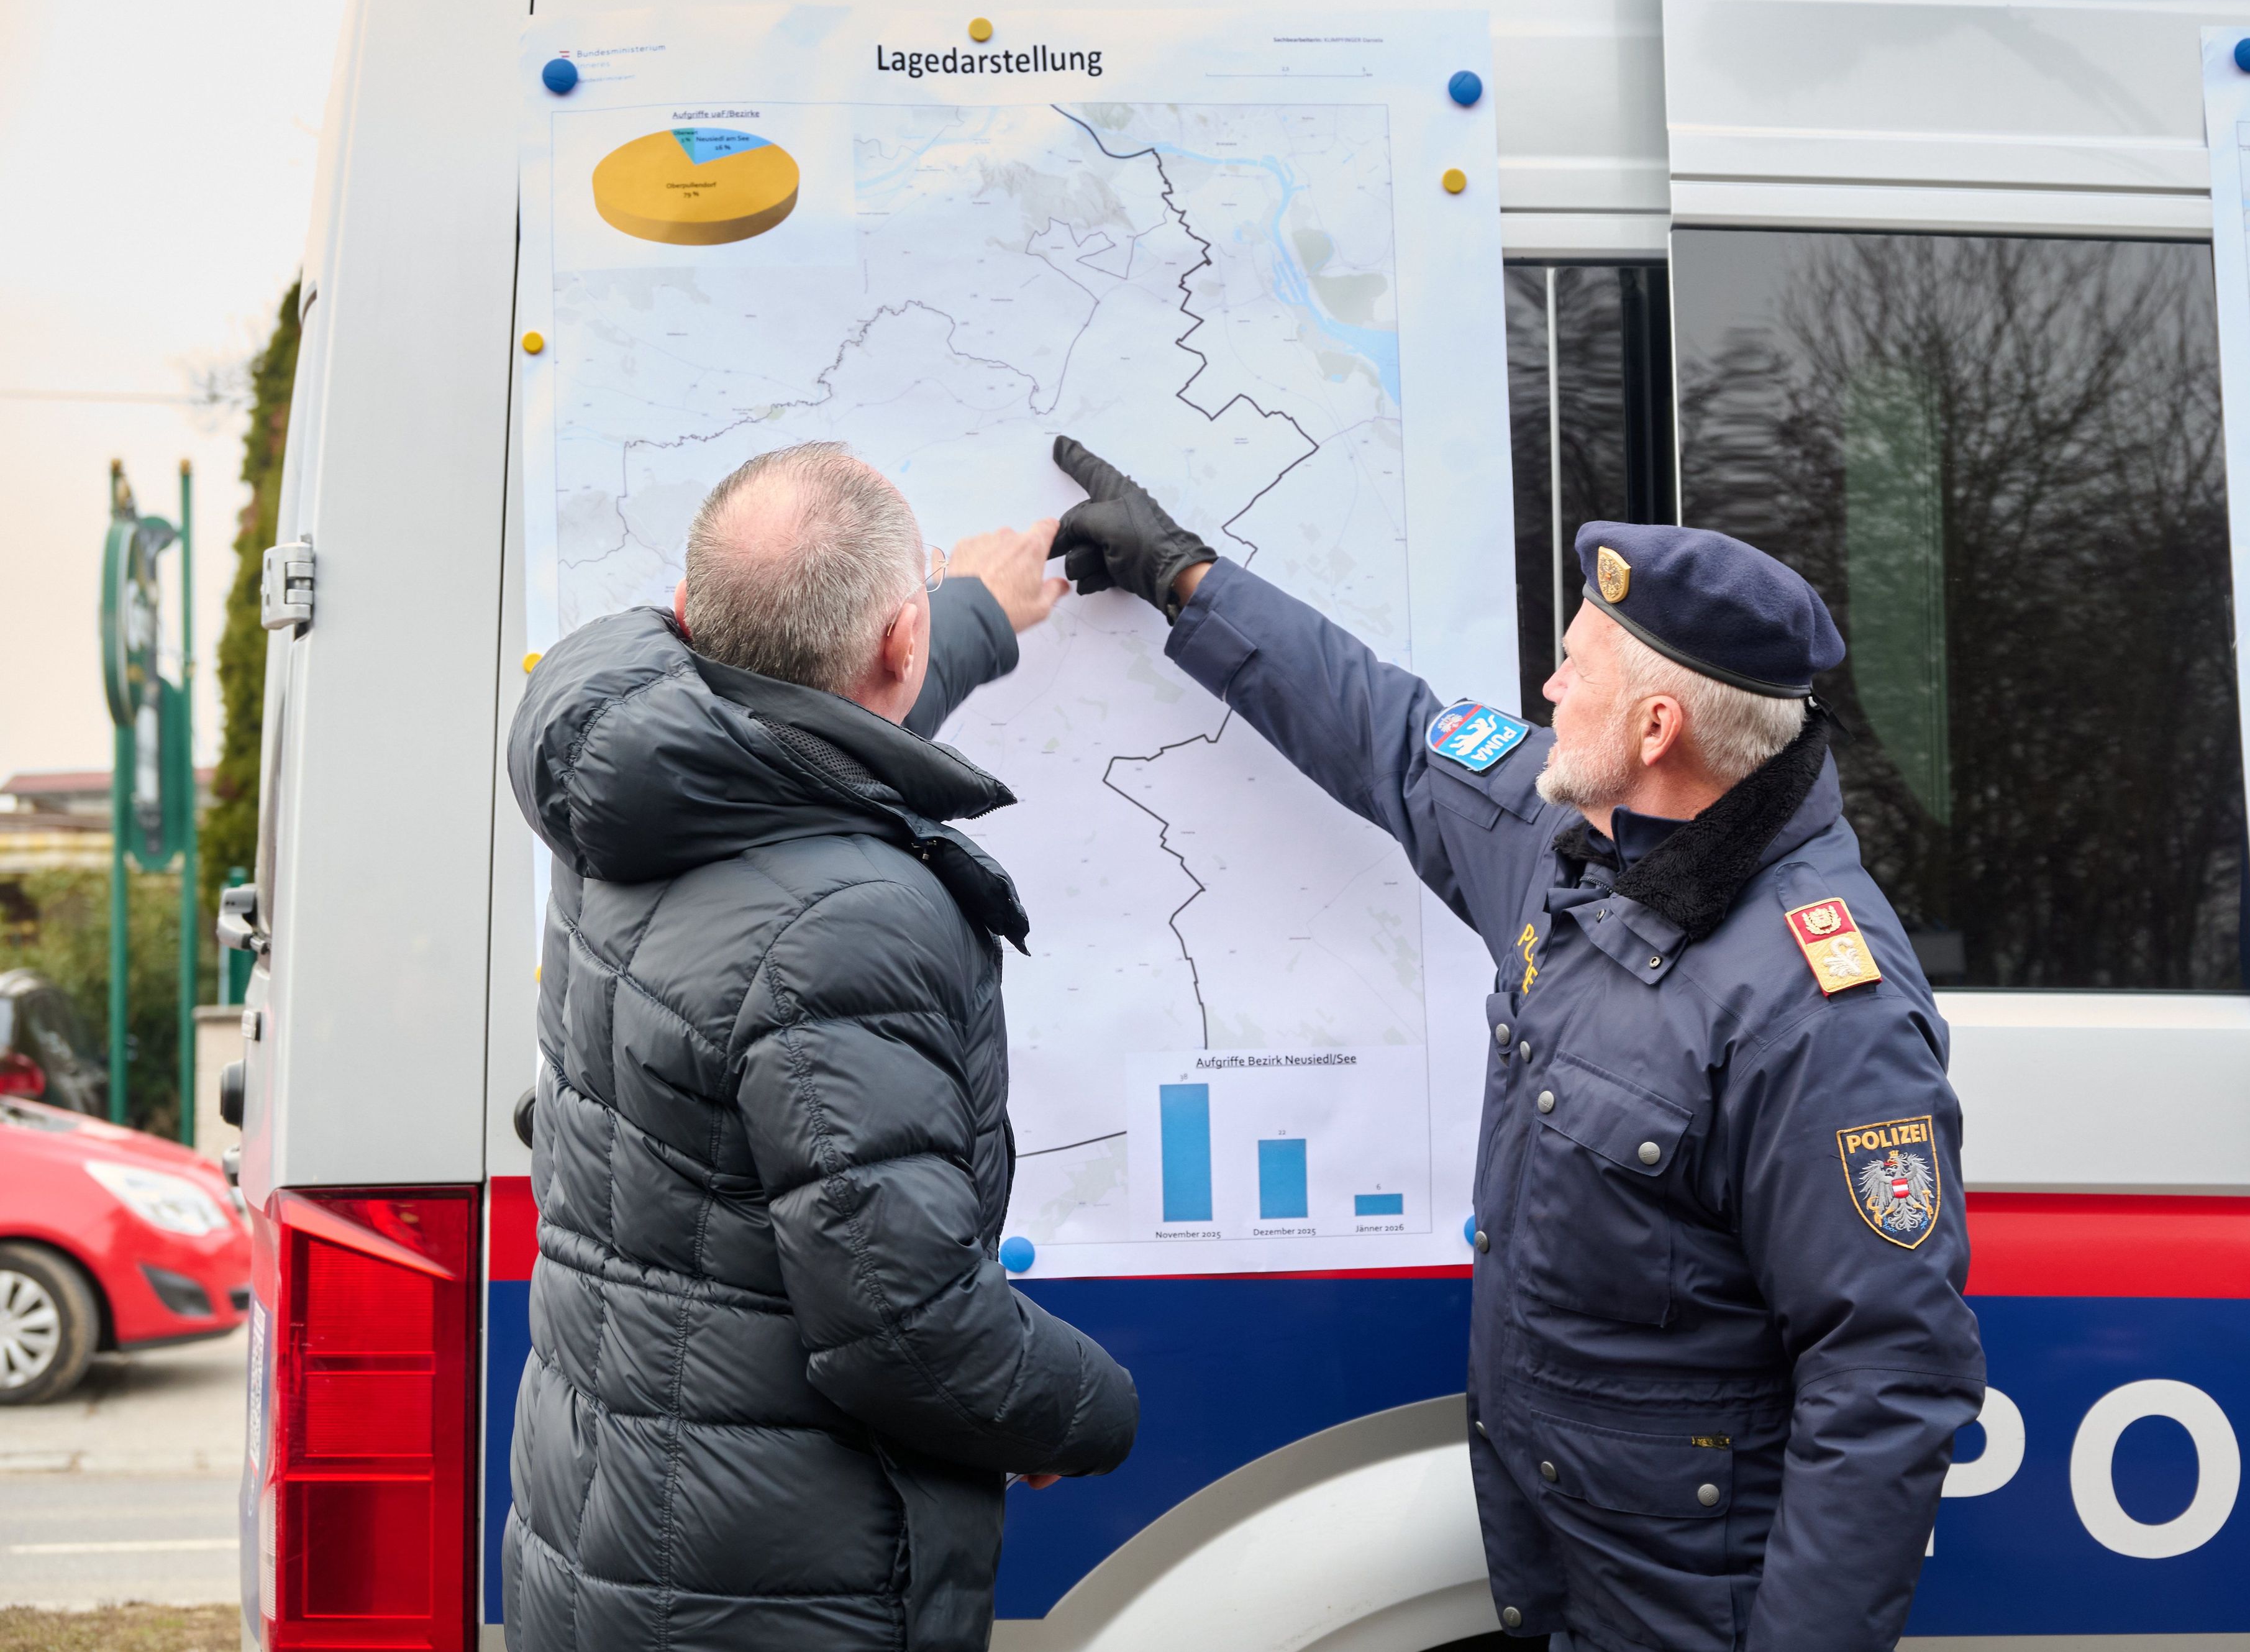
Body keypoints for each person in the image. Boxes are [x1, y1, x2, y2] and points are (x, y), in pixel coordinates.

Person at [1047, 437, 1984, 1652]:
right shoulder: (1582, 849)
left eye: (1570, 671)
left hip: (1691, 1601)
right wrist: (1184, 577)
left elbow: (1887, 1374)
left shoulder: (1819, 1002)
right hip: (1562, 1555)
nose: (1544, 695)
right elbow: (1392, 732)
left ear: (1654, 727)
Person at [501, 442, 1137, 1652]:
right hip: (772, 1594)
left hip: (614, 1534)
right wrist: (1079, 1412)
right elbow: (908, 1330)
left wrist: (969, 615)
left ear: (691, 615)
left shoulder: (623, 788)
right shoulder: (851, 920)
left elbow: (802, 736)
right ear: (896, 644)